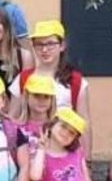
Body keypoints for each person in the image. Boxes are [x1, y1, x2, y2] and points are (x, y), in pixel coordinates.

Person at [9, 20, 92, 156]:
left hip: (64, 153)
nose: (44, 50)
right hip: (29, 153)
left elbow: (84, 122)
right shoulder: (23, 78)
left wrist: (87, 159)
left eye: (50, 44)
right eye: (39, 44)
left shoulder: (75, 81)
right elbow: (12, 118)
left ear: (62, 45)